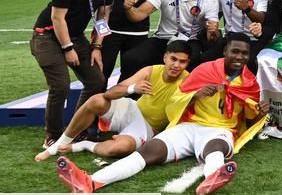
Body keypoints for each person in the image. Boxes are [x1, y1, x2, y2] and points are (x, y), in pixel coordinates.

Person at [56, 33, 269, 195]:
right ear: (225, 52)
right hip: (189, 126)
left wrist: (260, 114)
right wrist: (195, 96)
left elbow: (248, 122)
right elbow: (176, 101)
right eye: (235, 52)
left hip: (221, 131)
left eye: (244, 53)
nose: (239, 57)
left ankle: (213, 177)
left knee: (214, 149)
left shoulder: (250, 83)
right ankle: (90, 181)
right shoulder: (204, 71)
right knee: (148, 151)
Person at [35, 40, 191, 163]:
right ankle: (56, 146)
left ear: (188, 63)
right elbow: (109, 94)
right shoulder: (151, 71)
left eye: (182, 62)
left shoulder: (188, 81)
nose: (176, 65)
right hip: (132, 110)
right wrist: (132, 89)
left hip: (147, 128)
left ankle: (82, 145)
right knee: (97, 100)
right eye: (173, 59)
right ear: (165, 57)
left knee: (120, 149)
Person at [31, 0, 115, 148]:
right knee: (61, 86)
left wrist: (97, 46)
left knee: (96, 81)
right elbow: (56, 18)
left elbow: (103, 16)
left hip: (76, 36)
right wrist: (68, 48)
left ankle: (75, 131)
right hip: (48, 34)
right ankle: (53, 135)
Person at [122, 0, 221, 73]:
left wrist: (213, 31)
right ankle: (131, 90)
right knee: (130, 58)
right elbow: (138, 15)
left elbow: (212, 36)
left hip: (191, 40)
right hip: (164, 38)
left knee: (193, 62)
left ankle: (183, 91)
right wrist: (128, 8)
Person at [213, 0, 269, 70]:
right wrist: (212, 26)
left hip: (253, 38)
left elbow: (262, 19)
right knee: (207, 58)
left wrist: (246, 9)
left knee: (251, 64)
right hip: (231, 37)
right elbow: (216, 14)